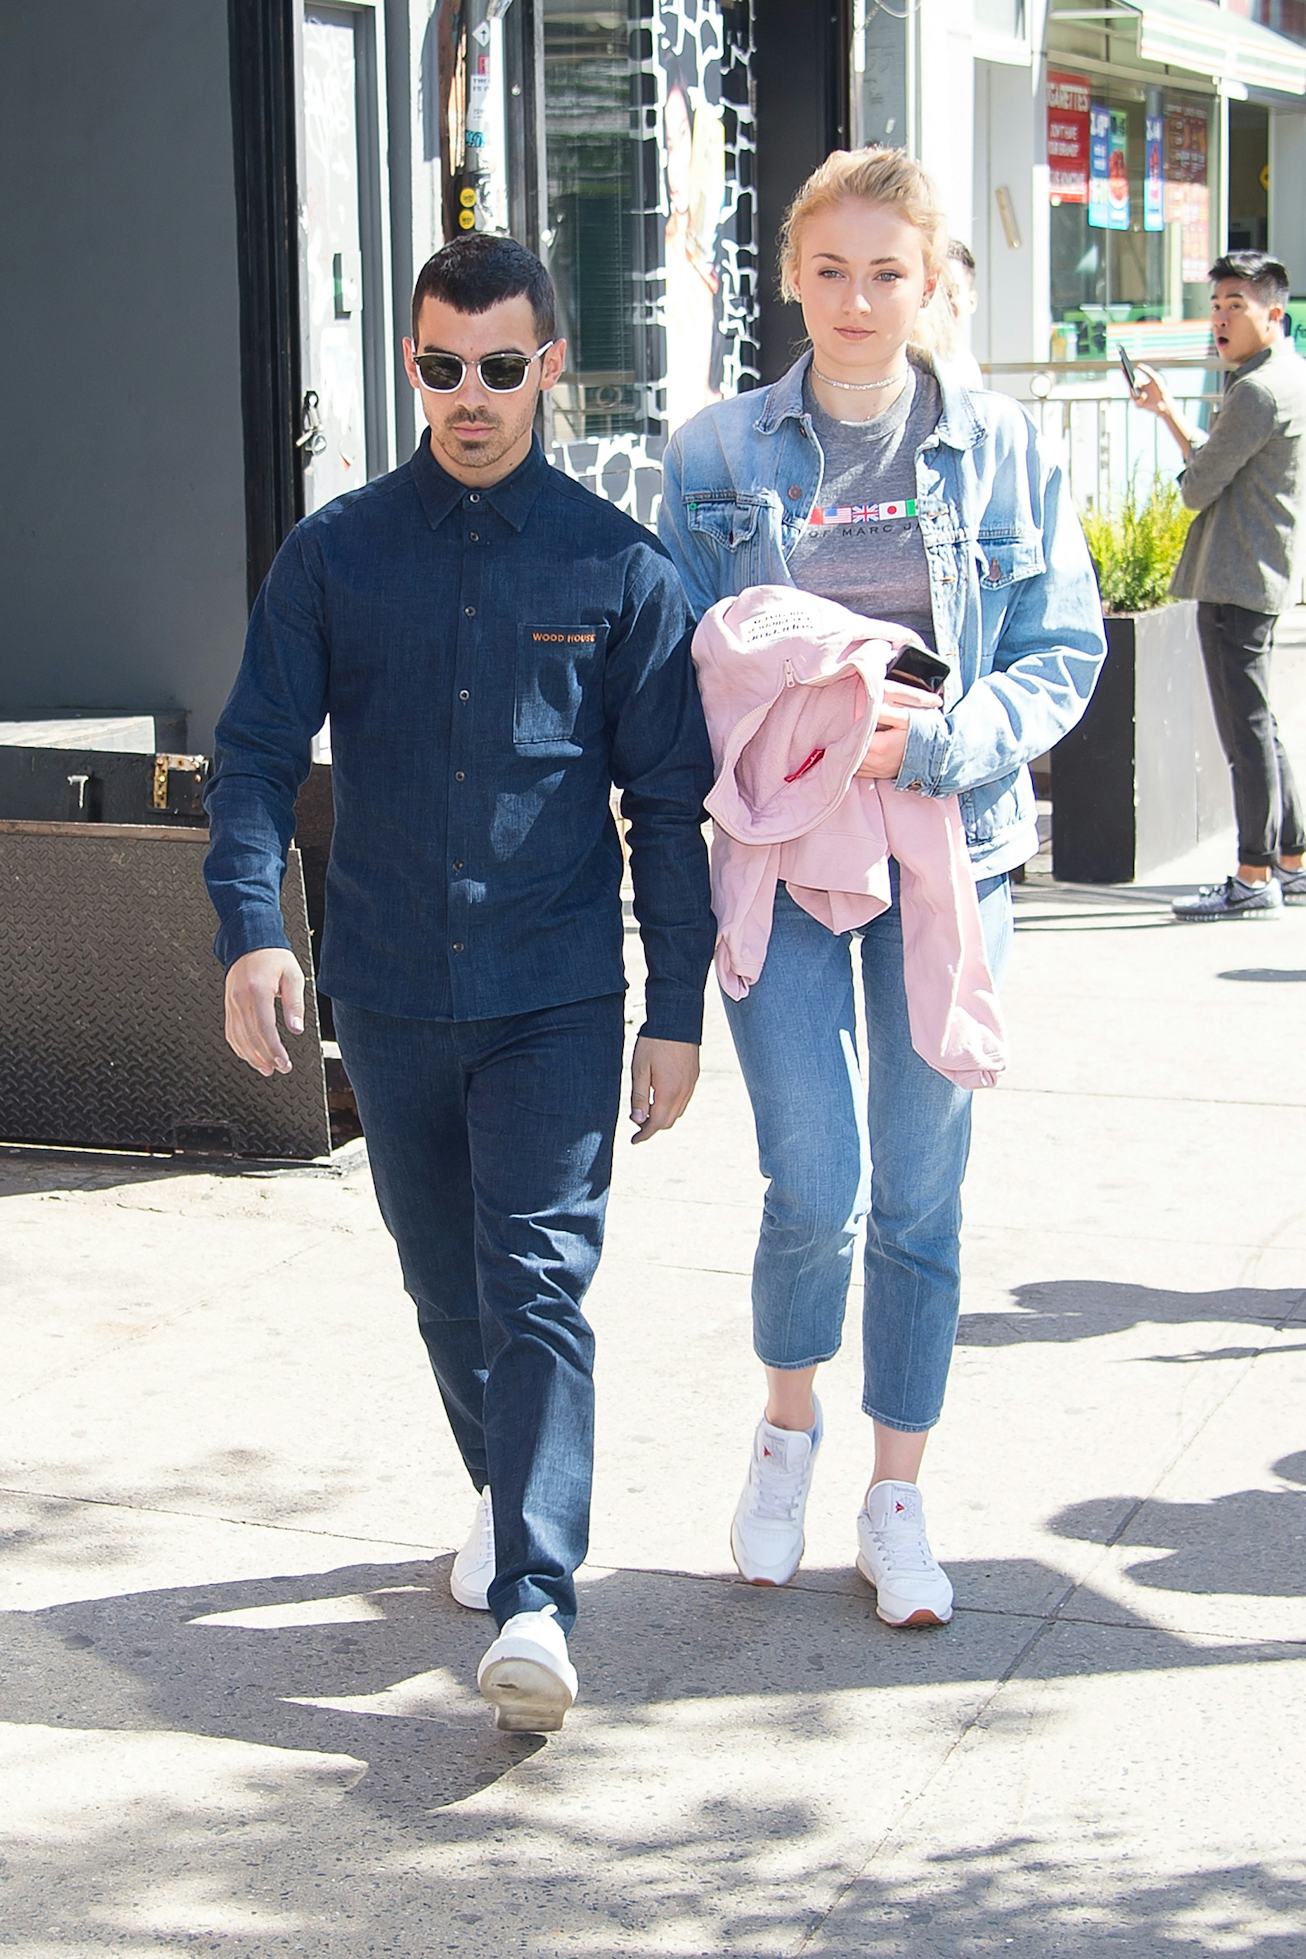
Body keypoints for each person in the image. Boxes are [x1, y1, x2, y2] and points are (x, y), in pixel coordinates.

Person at [204, 234, 714, 1733]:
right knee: (447, 1284)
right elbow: (248, 760)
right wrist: (252, 925)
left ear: (548, 364)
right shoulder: (335, 552)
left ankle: (538, 1595)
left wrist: (673, 1007)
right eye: (441, 367)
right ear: (411, 364)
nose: (471, 396)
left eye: (501, 366)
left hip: (556, 989)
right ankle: (506, 1486)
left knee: (539, 1282)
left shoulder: (621, 565)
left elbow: (666, 809)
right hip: (390, 992)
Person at [659, 147, 1105, 1627]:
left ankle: (896, 1494)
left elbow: (1062, 647)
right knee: (815, 1181)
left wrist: (946, 739)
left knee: (920, 1192)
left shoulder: (1001, 445)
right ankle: (786, 1432)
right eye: (831, 269)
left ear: (929, 286)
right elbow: (679, 660)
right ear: (791, 273)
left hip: (949, 855)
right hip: (782, 861)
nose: (856, 300)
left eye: (886, 272)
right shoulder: (716, 450)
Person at [1129, 250, 1306, 920]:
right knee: (1261, 725)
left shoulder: (1257, 390)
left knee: (1245, 733)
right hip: (1260, 571)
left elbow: (1198, 485)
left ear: (1274, 313)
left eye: (1237, 305)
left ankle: (1253, 872)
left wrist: (1172, 420)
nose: (1221, 319)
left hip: (1236, 578)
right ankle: (1289, 860)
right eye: (1217, 305)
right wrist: (1173, 414)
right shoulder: (1286, 377)